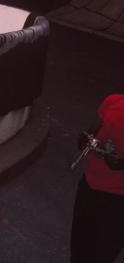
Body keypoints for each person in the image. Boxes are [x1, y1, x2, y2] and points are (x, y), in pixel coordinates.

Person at [70, 94, 124, 263]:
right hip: (89, 188)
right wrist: (85, 139)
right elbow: (91, 132)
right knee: (78, 251)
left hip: (118, 203)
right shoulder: (113, 101)